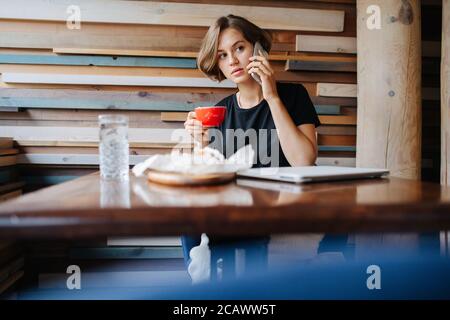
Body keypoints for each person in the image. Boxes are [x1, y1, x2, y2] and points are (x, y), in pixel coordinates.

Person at [182, 14, 321, 267]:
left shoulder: (294, 96)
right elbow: (213, 180)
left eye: (239, 48)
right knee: (188, 220)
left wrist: (271, 96)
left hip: (285, 209)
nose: (233, 60)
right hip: (238, 212)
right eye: (222, 55)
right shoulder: (220, 111)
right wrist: (201, 145)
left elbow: (304, 160)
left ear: (258, 49)